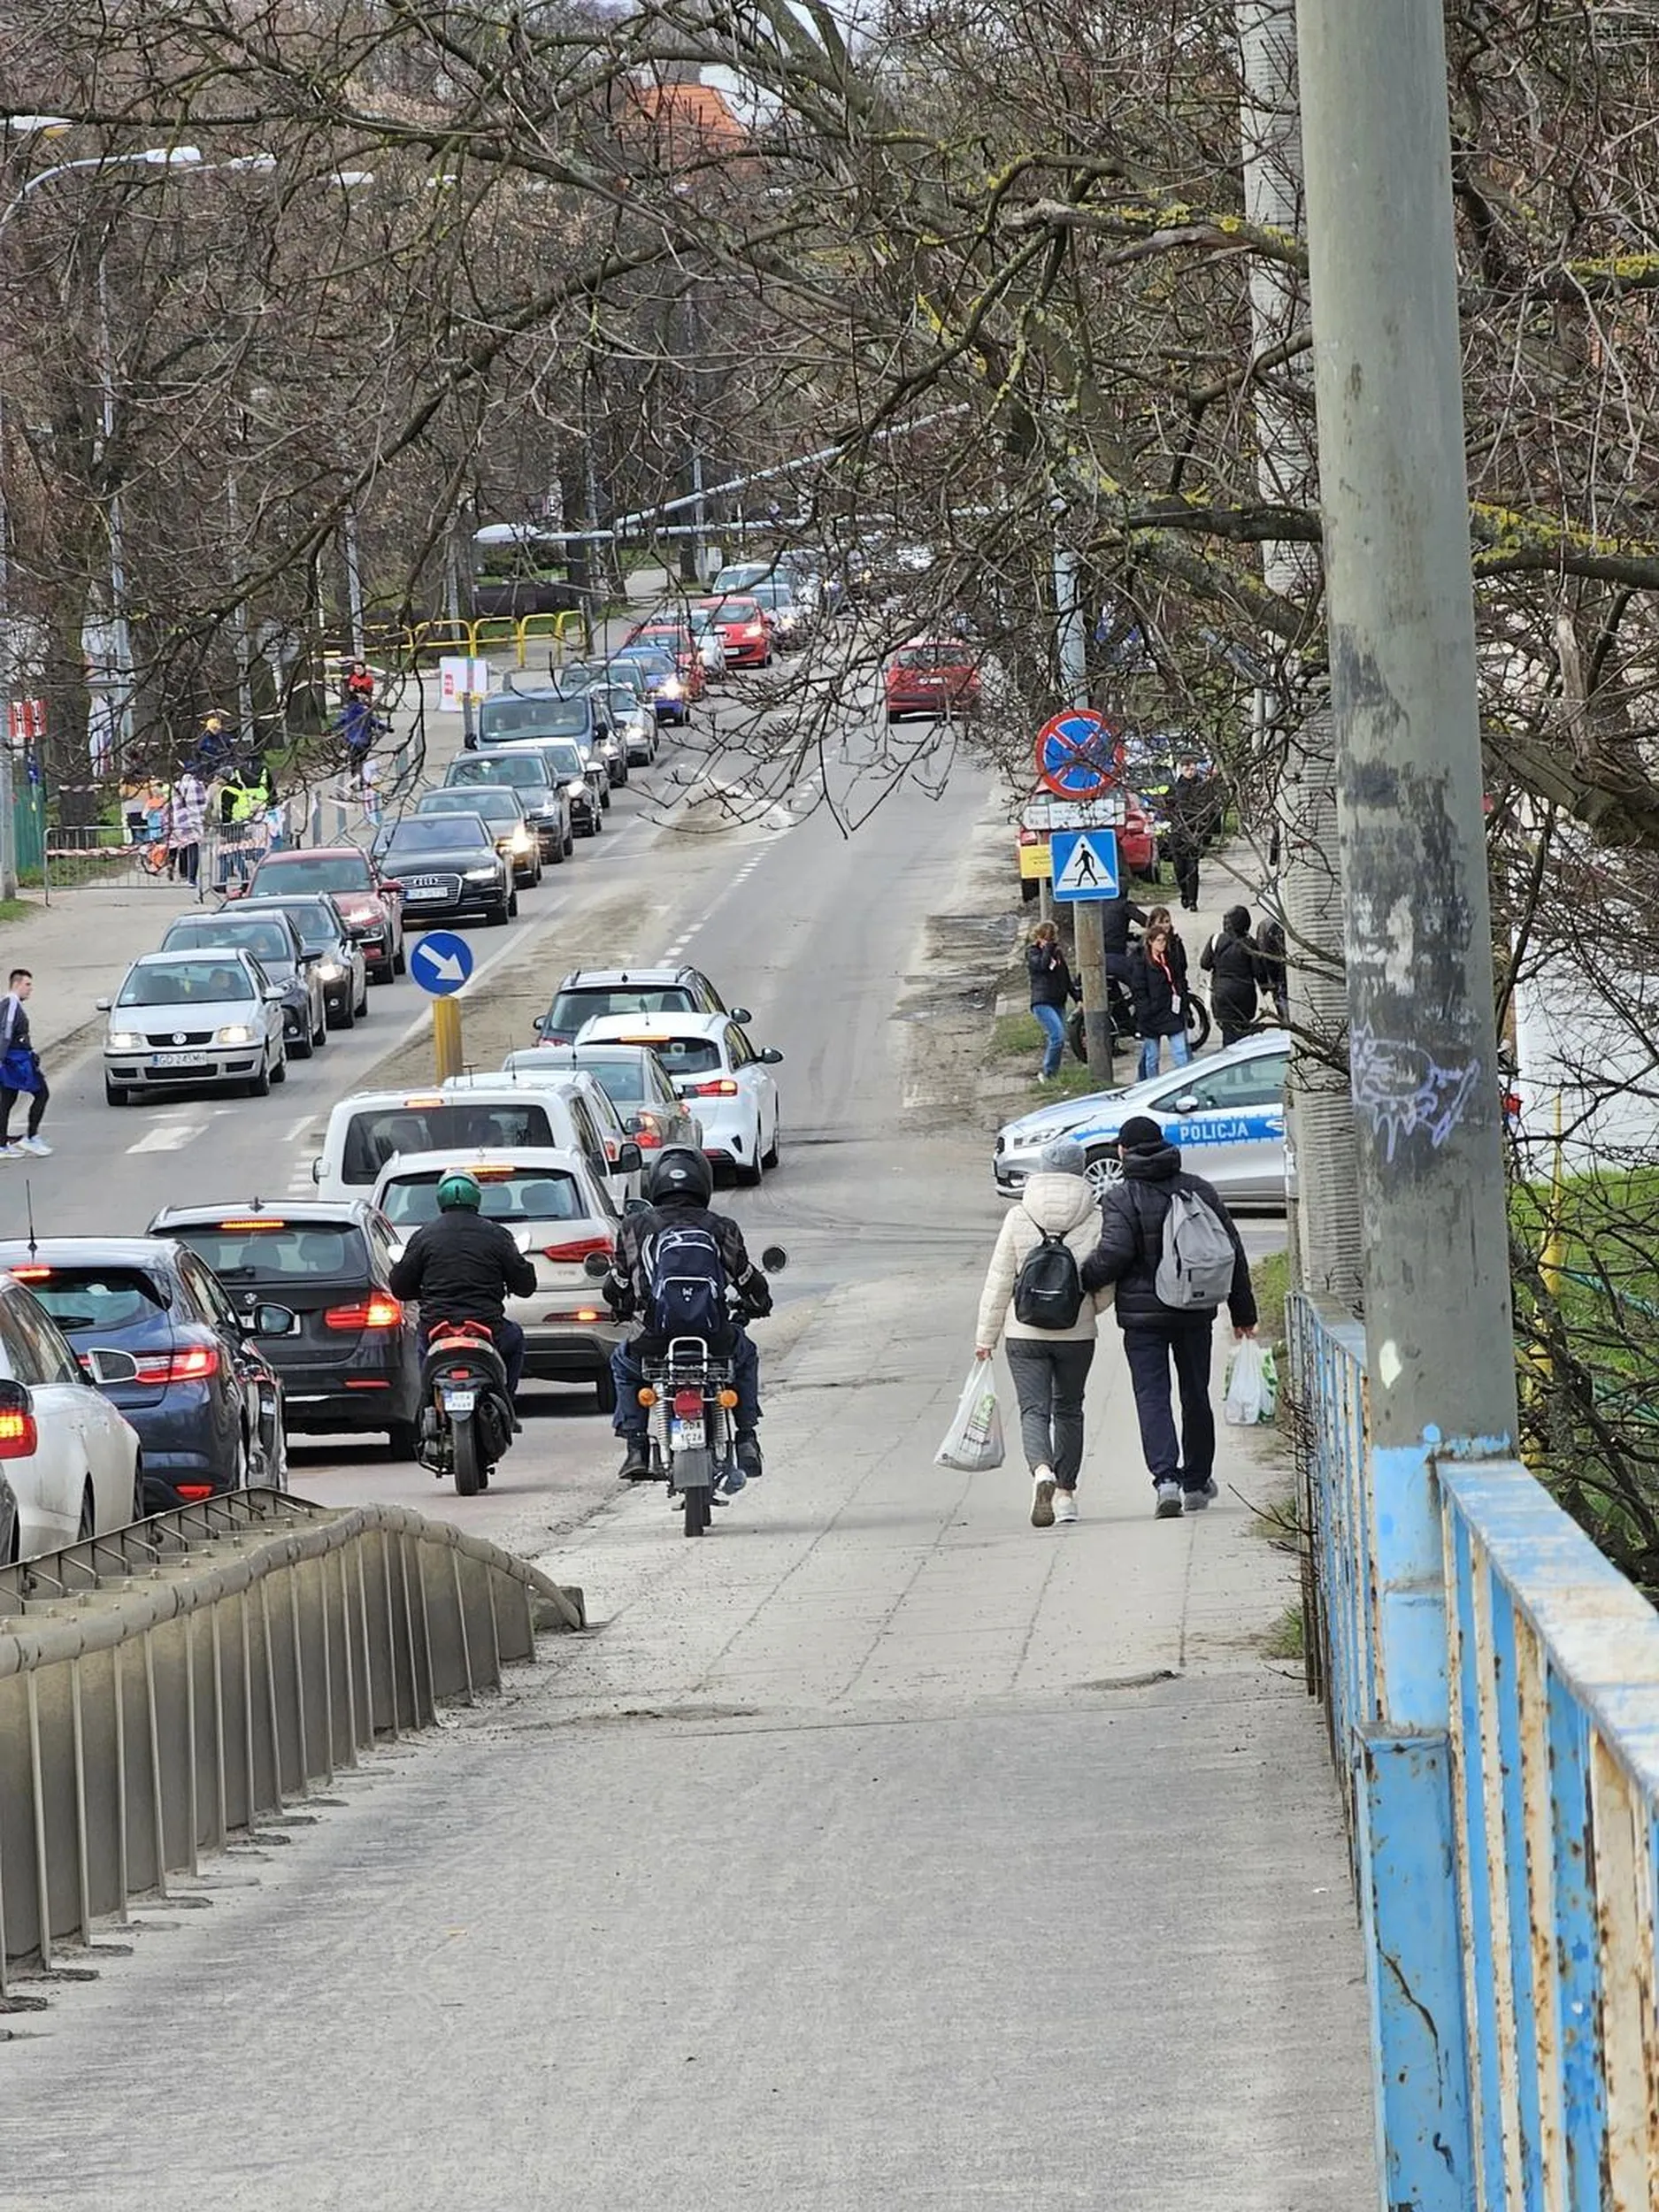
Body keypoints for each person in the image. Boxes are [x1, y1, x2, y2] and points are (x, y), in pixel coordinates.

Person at [1081, 1114, 1257, 1518]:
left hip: (1144, 1320)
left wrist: (1083, 1278)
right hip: (1195, 1310)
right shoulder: (1198, 1189)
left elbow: (1114, 1254)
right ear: (1163, 1144)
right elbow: (1232, 1250)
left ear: (1123, 1151)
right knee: (1196, 1394)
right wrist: (1242, 1311)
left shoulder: (1121, 1198)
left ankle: (1166, 1481)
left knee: (1152, 1397)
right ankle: (1197, 1481)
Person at [602, 1146, 773, 1483]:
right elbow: (745, 1277)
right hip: (712, 1336)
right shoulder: (721, 1227)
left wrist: (620, 1303)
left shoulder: (634, 1226)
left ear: (656, 1183)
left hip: (654, 1337)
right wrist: (759, 1302)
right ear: (703, 1182)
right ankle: (747, 1438)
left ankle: (636, 1446)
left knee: (623, 1363)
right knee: (745, 1354)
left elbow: (618, 1283)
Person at [973, 1137, 1112, 1527]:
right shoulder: (1095, 1217)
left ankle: (1041, 1472)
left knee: (1035, 1410)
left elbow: (999, 1281)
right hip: (1076, 1333)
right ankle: (1066, 1496)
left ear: (1043, 1169)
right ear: (1081, 1169)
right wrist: (1088, 1310)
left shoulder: (1019, 1216)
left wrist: (986, 1338)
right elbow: (1106, 1283)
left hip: (1024, 1332)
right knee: (1069, 1409)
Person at [388, 1169, 536, 1407]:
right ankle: (506, 1399)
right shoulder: (497, 1234)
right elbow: (526, 1285)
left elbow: (400, 1286)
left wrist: (425, 1290)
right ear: (476, 1198)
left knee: (421, 1354)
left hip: (436, 1327)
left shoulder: (423, 1236)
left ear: (440, 1199)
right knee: (515, 1337)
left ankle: (426, 1405)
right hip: (488, 1326)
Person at [1129, 916, 1191, 1081]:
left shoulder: (1170, 958)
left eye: (1164, 940)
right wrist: (1146, 1011)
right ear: (1150, 942)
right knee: (1152, 1058)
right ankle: (1152, 1085)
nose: (1162, 944)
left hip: (1170, 1010)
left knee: (1180, 1052)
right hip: (1151, 1015)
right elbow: (1139, 989)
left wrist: (1180, 998)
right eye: (1158, 940)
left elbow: (1178, 977)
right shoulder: (1142, 962)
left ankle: (1184, 1084)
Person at [0, 971, 50, 1158]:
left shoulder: (8, 1003)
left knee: (6, 1100)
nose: (31, 989)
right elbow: (6, 1031)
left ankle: (2, 1144)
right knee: (41, 1093)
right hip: (16, 1061)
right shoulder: (12, 1003)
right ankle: (32, 1137)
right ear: (16, 984)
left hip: (14, 1058)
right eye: (27, 985)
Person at [1201, 904, 1267, 1047]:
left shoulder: (1216, 940)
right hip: (1245, 994)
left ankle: (1231, 1063)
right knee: (1244, 1032)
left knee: (1228, 1033)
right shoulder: (1250, 943)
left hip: (1222, 994)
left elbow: (1204, 964)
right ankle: (1245, 1065)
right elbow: (1258, 972)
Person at [1165, 759, 1218, 911]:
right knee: (1179, 868)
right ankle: (1184, 893)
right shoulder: (1175, 788)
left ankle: (1193, 900)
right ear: (1182, 770)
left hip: (1195, 833)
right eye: (1187, 769)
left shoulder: (1201, 787)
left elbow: (1210, 808)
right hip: (1178, 833)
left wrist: (1205, 831)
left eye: (1193, 769)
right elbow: (1167, 809)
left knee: (1193, 868)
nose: (1190, 772)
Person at [1025, 920, 1076, 1083]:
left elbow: (1066, 978)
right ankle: (1047, 1073)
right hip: (1042, 1001)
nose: (1051, 942)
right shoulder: (1033, 952)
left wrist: (1077, 997)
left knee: (1060, 1038)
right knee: (1057, 1036)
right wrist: (1046, 949)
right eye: (1047, 938)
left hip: (1058, 1001)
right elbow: (1042, 966)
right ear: (1039, 938)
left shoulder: (1057, 954)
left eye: (1052, 938)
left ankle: (1053, 1073)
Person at [169, 767, 207, 887]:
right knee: (193, 849)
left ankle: (181, 872)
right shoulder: (197, 785)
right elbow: (202, 804)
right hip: (193, 820)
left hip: (179, 821)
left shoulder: (176, 786)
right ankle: (192, 878)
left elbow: (172, 804)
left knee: (181, 847)